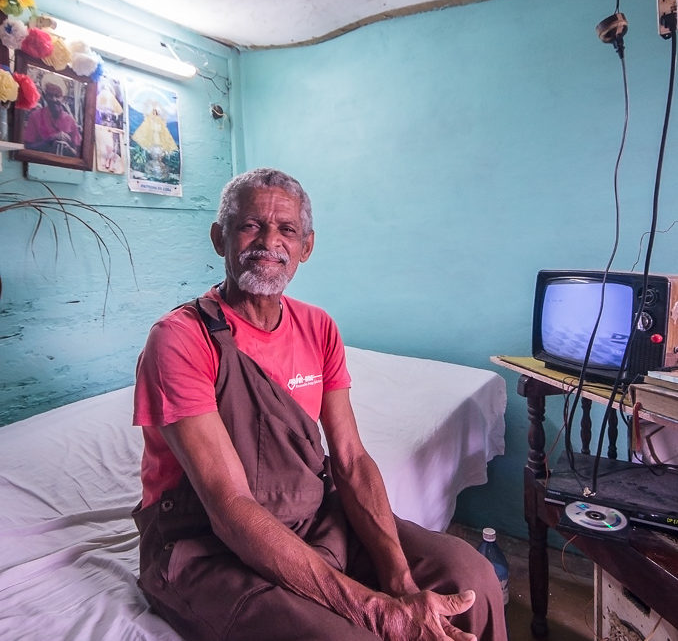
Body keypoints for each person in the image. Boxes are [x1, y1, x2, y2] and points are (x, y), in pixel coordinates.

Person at [132, 168, 508, 641]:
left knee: (469, 575)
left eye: (286, 229)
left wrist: (399, 579)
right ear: (219, 237)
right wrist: (375, 610)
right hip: (205, 540)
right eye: (251, 225)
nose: (269, 241)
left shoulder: (319, 327)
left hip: (312, 513)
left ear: (306, 247)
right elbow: (229, 505)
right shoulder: (180, 339)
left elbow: (350, 459)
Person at [23, 75, 81, 156]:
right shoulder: (35, 116)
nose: (54, 99)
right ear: (45, 96)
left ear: (63, 98)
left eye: (57, 96)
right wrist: (50, 139)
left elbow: (79, 154)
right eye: (50, 95)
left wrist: (68, 148)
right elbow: (26, 147)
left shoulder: (70, 121)